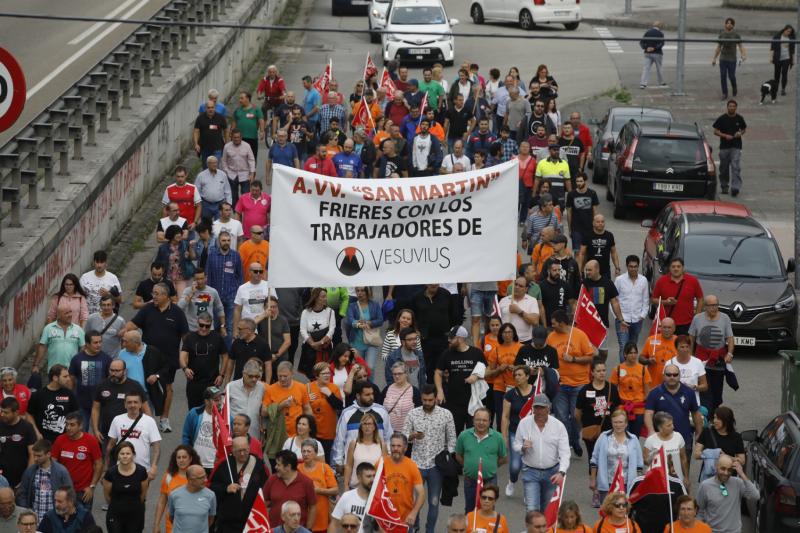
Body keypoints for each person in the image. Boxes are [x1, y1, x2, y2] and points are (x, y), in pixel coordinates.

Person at [124, 283, 189, 431]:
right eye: (153, 293)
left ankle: (164, 419)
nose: (153, 296)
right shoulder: (147, 309)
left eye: (157, 294)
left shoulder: (177, 313)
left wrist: (186, 357)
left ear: (166, 296)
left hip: (169, 358)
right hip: (147, 358)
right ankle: (143, 418)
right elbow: (132, 325)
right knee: (145, 385)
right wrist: (124, 331)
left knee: (167, 388)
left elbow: (186, 337)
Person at [403, 384, 456, 533]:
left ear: (436, 399)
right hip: (416, 464)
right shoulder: (413, 414)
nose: (427, 403)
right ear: (421, 398)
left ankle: (430, 530)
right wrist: (411, 436)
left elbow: (452, 439)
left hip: (436, 466)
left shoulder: (446, 414)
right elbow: (402, 436)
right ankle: (414, 526)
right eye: (424, 400)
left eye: (430, 400)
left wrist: (447, 457)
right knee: (414, 501)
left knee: (433, 502)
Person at [548, 309, 597, 456]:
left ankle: (575, 439)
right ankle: (568, 443)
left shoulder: (579, 335)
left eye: (554, 323)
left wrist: (574, 359)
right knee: (562, 417)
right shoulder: (551, 337)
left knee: (576, 416)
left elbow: (590, 357)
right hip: (560, 384)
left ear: (562, 323)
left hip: (580, 384)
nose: (552, 326)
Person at [514, 394, 569, 512]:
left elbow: (565, 453)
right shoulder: (524, 423)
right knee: (532, 510)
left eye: (542, 408)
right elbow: (516, 445)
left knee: (548, 511)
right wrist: (523, 448)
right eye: (536, 408)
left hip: (552, 473)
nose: (539, 411)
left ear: (548, 408)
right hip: (530, 472)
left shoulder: (558, 426)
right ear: (532, 409)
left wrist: (561, 472)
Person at [208, 436, 270, 533]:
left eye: (245, 450)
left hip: (251, 520)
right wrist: (226, 488)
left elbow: (266, 488)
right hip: (227, 522)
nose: (242, 454)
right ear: (232, 450)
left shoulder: (259, 465)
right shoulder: (224, 464)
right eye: (238, 451)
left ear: (249, 448)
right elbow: (211, 488)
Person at [644, 363, 703, 463]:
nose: (672, 377)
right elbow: (648, 413)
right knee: (661, 472)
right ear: (664, 376)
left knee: (683, 471)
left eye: (675, 375)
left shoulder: (689, 392)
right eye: (669, 374)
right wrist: (651, 431)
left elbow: (696, 414)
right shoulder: (654, 393)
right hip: (660, 440)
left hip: (684, 439)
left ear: (679, 376)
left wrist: (699, 434)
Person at [435, 326, 487, 433]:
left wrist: (476, 376)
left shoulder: (476, 353)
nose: (449, 340)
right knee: (454, 433)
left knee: (473, 434)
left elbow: (487, 368)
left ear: (460, 338)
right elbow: (438, 372)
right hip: (453, 402)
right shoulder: (447, 353)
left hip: (473, 401)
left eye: (451, 338)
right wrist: (440, 391)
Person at [455, 408, 507, 513]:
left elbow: (503, 458)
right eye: (478, 420)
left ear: (490, 422)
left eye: (484, 420)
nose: (481, 423)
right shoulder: (463, 436)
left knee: (489, 510)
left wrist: (492, 466)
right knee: (470, 510)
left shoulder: (498, 437)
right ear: (473, 421)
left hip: (490, 480)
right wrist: (468, 466)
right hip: (470, 480)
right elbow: (458, 455)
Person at [333, 381, 393, 470]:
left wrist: (389, 457)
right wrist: (339, 462)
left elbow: (388, 437)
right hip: (353, 465)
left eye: (372, 394)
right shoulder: (347, 413)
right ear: (358, 396)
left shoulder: (382, 411)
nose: (371, 397)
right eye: (367, 395)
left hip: (377, 464)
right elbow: (339, 440)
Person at [575, 360, 621, 474]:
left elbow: (618, 408)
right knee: (593, 459)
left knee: (610, 459)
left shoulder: (612, 388)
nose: (602, 373)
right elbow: (577, 413)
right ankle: (595, 486)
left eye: (604, 370)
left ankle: (608, 485)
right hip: (591, 433)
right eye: (598, 371)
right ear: (592, 373)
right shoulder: (585, 390)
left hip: (609, 431)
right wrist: (584, 427)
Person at [589, 409, 643, 506]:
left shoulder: (633, 439)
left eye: (621, 422)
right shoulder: (604, 437)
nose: (618, 425)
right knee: (607, 512)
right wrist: (593, 479)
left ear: (626, 423)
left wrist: (638, 485)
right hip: (607, 483)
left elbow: (639, 464)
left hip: (627, 484)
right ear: (612, 422)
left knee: (624, 512)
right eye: (615, 422)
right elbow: (594, 460)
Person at [689, 294, 734, 411]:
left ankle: (715, 413)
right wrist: (690, 355)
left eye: (716, 305)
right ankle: (705, 415)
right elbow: (691, 338)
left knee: (717, 390)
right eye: (711, 305)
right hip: (701, 359)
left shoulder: (725, 318)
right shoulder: (697, 318)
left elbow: (730, 338)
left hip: (718, 360)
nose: (714, 308)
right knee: (704, 389)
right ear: (705, 307)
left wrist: (729, 353)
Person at [90, 359, 150, 445]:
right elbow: (95, 409)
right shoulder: (102, 385)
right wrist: (95, 430)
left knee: (128, 457)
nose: (113, 373)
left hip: (131, 432)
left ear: (125, 371)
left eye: (117, 371)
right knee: (107, 457)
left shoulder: (135, 386)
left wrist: (148, 430)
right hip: (107, 432)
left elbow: (146, 408)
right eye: (111, 370)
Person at [51, 412, 102, 509]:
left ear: (81, 426)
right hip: (64, 490)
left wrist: (92, 487)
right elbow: (53, 463)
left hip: (83, 491)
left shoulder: (90, 440)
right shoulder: (60, 440)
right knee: (63, 519)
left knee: (84, 521)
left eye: (72, 425)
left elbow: (99, 464)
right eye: (67, 424)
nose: (68, 427)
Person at [106, 391, 161, 481]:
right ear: (125, 405)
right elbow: (110, 446)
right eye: (129, 402)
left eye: (135, 402)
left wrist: (154, 467)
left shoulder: (149, 421)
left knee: (141, 495)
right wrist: (106, 468)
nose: (132, 405)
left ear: (140, 405)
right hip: (121, 469)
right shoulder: (117, 420)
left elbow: (157, 448)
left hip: (143, 471)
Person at [696, 454, 758, 533]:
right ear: (716, 466)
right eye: (723, 469)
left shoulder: (737, 483)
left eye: (729, 470)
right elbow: (700, 511)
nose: (726, 473)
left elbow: (755, 496)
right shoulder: (705, 486)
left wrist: (742, 474)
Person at [500, 366, 536, 497]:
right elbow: (505, 416)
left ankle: (529, 492)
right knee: (515, 466)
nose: (517, 377)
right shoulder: (510, 394)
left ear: (527, 376)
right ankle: (512, 481)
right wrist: (504, 436)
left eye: (520, 375)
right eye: (515, 375)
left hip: (533, 434)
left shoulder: (536, 392)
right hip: (515, 433)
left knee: (531, 465)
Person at [179, 312, 227, 408]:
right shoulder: (190, 337)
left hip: (212, 382)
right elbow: (182, 355)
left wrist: (221, 375)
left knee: (213, 409)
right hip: (194, 382)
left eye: (207, 326)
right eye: (201, 325)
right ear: (197, 323)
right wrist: (185, 368)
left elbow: (225, 356)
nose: (204, 328)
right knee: (194, 410)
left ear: (211, 324)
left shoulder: (217, 337)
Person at [17, 439, 73, 520]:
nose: (35, 459)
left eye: (39, 456)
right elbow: (22, 493)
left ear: (48, 454)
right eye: (34, 455)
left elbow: (70, 495)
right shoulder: (30, 471)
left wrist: (63, 515)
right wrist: (26, 512)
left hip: (54, 519)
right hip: (35, 520)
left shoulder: (61, 471)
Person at [205, 231, 243, 347]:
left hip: (231, 296)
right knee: (215, 325)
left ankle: (228, 352)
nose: (226, 243)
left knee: (230, 326)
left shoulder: (236, 255)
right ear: (219, 241)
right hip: (216, 297)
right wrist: (209, 296)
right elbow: (208, 275)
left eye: (228, 240)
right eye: (223, 240)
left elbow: (239, 276)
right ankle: (215, 349)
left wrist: (238, 293)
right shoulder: (212, 255)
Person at [153, 445, 201, 533]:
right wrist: (156, 524)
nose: (181, 460)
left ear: (190, 459)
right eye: (178, 457)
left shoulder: (198, 477)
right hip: (172, 525)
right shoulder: (168, 477)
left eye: (184, 457)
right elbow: (162, 502)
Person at [69, 331, 113, 427]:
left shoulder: (107, 359)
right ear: (87, 344)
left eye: (100, 342)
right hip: (82, 404)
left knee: (100, 432)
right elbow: (71, 379)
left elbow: (110, 380)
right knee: (81, 431)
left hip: (101, 403)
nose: (99, 345)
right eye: (95, 342)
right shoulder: (76, 359)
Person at [103, 441, 148, 533]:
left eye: (128, 453)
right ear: (118, 456)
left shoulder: (141, 472)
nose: (125, 456)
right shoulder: (110, 473)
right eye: (122, 453)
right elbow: (107, 496)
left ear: (133, 455)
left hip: (135, 514)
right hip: (115, 515)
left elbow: (143, 494)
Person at [263, 450, 316, 528]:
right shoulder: (272, 479)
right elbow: (264, 502)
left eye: (278, 465)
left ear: (288, 467)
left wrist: (308, 529)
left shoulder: (306, 482)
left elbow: (313, 507)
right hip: (274, 529)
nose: (275, 467)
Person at [382, 433, 425, 528]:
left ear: (405, 448)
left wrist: (414, 513)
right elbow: (371, 489)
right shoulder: (381, 464)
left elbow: (421, 493)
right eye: (393, 446)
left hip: (405, 519)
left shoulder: (412, 466)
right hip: (384, 517)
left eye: (399, 446)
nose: (395, 449)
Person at [651, 257, 703, 335]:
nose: (676, 269)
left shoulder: (692, 281)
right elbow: (653, 300)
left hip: (687, 324)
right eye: (673, 266)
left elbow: (700, 298)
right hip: (667, 324)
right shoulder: (662, 281)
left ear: (683, 268)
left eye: (678, 266)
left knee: (683, 346)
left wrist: (697, 317)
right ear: (669, 268)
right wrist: (665, 302)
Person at [693, 405, 745, 482]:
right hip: (709, 477)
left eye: (718, 419)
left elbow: (742, 461)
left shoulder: (736, 437)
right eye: (714, 417)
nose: (715, 421)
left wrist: (724, 457)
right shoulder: (707, 432)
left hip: (728, 477)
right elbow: (696, 454)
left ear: (726, 421)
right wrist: (714, 453)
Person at [27, 365, 78, 442]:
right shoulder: (38, 395)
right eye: (65, 376)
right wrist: (36, 432)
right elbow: (29, 414)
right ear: (55, 378)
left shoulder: (69, 394)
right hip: (44, 441)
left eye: (68, 376)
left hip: (64, 440)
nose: (68, 379)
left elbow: (76, 415)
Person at [262, 361, 313, 438]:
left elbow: (307, 408)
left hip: (297, 434)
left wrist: (309, 426)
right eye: (280, 376)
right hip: (277, 435)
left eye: (285, 376)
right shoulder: (270, 389)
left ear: (292, 374)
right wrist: (280, 406)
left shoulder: (301, 387)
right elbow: (263, 412)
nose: (282, 379)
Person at [609, 343, 650, 437]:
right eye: (630, 353)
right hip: (622, 408)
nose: (633, 355)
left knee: (634, 437)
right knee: (621, 435)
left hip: (639, 408)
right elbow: (613, 391)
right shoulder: (618, 369)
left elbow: (647, 392)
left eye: (635, 353)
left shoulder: (643, 369)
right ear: (625, 354)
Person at [181, 386, 224, 473]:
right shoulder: (194, 413)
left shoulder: (226, 418)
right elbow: (186, 436)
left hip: (216, 465)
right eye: (216, 400)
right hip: (196, 464)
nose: (219, 402)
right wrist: (187, 455)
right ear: (206, 401)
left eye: (220, 399)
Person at [297, 440, 337, 533]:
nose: (306, 454)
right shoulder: (298, 469)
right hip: (302, 517)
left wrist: (318, 490)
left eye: (309, 451)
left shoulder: (324, 467)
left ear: (315, 453)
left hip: (321, 518)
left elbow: (335, 490)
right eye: (303, 451)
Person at [614, 256, 649, 359]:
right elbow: (613, 300)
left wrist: (642, 315)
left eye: (635, 266)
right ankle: (623, 372)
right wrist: (618, 318)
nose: (633, 269)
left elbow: (645, 300)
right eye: (631, 266)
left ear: (638, 267)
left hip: (637, 320)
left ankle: (632, 371)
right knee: (624, 346)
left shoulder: (643, 280)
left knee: (633, 347)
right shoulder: (619, 280)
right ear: (627, 266)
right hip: (622, 320)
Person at [644, 411, 690, 488]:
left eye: (672, 424)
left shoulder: (678, 437)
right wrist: (653, 456)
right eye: (668, 425)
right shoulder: (650, 440)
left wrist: (686, 477)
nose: (673, 427)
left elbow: (683, 459)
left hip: (677, 480)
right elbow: (645, 462)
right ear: (660, 427)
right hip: (658, 481)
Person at [308, 362, 343, 462]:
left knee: (326, 461)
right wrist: (307, 399)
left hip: (328, 434)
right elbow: (302, 408)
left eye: (328, 373)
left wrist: (330, 394)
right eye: (324, 373)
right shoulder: (308, 388)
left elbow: (339, 406)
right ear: (316, 375)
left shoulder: (334, 388)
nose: (327, 375)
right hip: (312, 433)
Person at [33, 308, 84, 374]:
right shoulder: (48, 328)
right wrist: (36, 365)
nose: (70, 315)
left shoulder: (78, 329)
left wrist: (79, 365)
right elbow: (42, 347)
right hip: (54, 370)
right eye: (66, 313)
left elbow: (83, 348)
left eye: (70, 312)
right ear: (59, 315)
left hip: (72, 371)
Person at [299, 289, 336, 379]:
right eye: (323, 297)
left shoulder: (330, 312)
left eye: (326, 296)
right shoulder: (305, 312)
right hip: (310, 349)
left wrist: (320, 343)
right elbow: (303, 330)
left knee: (325, 374)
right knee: (312, 376)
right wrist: (312, 344)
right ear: (315, 298)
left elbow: (331, 330)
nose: (326, 299)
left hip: (325, 348)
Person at [712, 100, 747, 196]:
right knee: (724, 167)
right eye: (730, 106)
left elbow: (744, 129)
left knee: (735, 166)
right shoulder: (722, 118)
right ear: (727, 107)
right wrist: (724, 135)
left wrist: (740, 133)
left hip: (736, 146)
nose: (731, 108)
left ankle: (735, 188)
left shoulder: (739, 118)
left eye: (733, 106)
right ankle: (724, 185)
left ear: (736, 107)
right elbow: (715, 131)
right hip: (724, 147)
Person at [344, 287, 383, 372]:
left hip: (371, 341)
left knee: (370, 367)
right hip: (357, 342)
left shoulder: (375, 304)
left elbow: (380, 320)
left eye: (362, 291)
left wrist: (369, 323)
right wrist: (358, 324)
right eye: (357, 291)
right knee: (360, 368)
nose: (360, 293)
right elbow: (350, 320)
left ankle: (370, 385)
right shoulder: (352, 306)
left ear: (368, 292)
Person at [343, 413, 385, 489]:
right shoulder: (354, 444)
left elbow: (385, 467)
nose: (367, 426)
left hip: (375, 488)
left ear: (374, 427)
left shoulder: (382, 444)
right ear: (361, 427)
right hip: (356, 487)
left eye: (369, 424)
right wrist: (346, 485)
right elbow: (349, 466)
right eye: (364, 424)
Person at [168, 465, 216, 533]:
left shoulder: (211, 495)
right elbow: (171, 517)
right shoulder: (174, 495)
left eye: (205, 476)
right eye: (201, 478)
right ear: (190, 480)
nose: (205, 480)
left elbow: (211, 518)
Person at [0, 397, 36, 487]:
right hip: (2, 477)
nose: (2, 414)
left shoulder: (27, 427)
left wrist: (26, 477)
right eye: (1, 411)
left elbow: (32, 453)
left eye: (6, 412)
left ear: (16, 412)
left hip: (22, 476)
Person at [329, 463, 375, 533]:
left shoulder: (378, 499)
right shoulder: (347, 496)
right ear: (359, 477)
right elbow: (334, 524)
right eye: (368, 476)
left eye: (374, 476)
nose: (372, 480)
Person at [228, 359, 266, 440]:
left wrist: (263, 433)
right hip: (233, 435)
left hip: (254, 435)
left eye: (257, 376)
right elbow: (223, 411)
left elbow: (263, 412)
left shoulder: (262, 388)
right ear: (244, 373)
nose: (254, 379)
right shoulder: (231, 387)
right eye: (251, 376)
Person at [666, 334, 708, 404]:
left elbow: (705, 386)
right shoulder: (669, 363)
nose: (685, 349)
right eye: (682, 347)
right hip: (673, 402)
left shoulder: (697, 362)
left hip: (692, 403)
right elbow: (664, 384)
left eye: (687, 347)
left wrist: (694, 387)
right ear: (676, 348)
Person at [381, 362, 421, 434]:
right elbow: (380, 409)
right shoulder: (387, 389)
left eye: (399, 374)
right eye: (394, 374)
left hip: (406, 433)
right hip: (387, 431)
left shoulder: (414, 391)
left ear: (406, 374)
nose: (397, 376)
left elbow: (419, 413)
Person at [711, 18, 746, 100]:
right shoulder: (722, 34)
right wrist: (714, 58)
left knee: (731, 76)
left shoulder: (736, 35)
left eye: (730, 23)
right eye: (727, 23)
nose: (729, 25)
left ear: (733, 25)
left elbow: (741, 46)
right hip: (723, 58)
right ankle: (724, 93)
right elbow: (718, 47)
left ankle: (734, 86)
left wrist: (743, 55)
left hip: (732, 59)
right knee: (723, 76)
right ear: (725, 24)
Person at [79, 250, 122, 315]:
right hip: (88, 319)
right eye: (97, 262)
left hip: (107, 320)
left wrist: (108, 294)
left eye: (101, 262)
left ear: (106, 263)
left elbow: (120, 300)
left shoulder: (112, 278)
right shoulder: (85, 278)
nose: (99, 265)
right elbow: (78, 298)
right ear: (93, 262)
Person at [227, 317, 270, 382]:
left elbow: (268, 365)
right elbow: (230, 362)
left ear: (249, 330)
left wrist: (267, 384)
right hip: (238, 383)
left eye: (240, 329)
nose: (238, 331)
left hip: (256, 383)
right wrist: (227, 382)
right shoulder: (236, 342)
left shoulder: (262, 344)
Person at [499, 278, 540, 344]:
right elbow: (497, 320)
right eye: (516, 284)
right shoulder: (503, 301)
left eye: (520, 286)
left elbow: (535, 321)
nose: (517, 287)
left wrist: (519, 311)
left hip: (525, 342)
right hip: (506, 342)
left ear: (526, 289)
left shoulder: (532, 301)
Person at [640, 317, 677, 387]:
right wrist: (648, 361)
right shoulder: (651, 340)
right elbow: (641, 358)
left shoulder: (679, 342)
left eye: (669, 327)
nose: (666, 330)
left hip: (672, 386)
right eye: (664, 327)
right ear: (660, 328)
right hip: (652, 385)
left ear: (674, 328)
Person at [194, 101, 228, 170]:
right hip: (204, 148)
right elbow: (196, 131)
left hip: (217, 148)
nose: (210, 109)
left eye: (212, 107)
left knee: (215, 167)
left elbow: (226, 130)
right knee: (206, 168)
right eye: (208, 108)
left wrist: (226, 142)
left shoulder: (220, 118)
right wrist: (196, 144)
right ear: (205, 108)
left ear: (215, 108)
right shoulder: (200, 118)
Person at [770, 25, 796, 102]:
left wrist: (793, 60)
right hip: (778, 58)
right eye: (787, 31)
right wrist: (771, 58)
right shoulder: (777, 37)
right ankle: (775, 88)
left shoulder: (791, 38)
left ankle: (783, 89)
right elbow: (772, 48)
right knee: (777, 75)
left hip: (786, 59)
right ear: (784, 30)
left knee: (784, 74)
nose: (788, 33)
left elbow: (792, 50)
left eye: (790, 32)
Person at [639, 22, 666, 88]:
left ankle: (643, 83)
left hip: (647, 53)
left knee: (646, 68)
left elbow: (641, 42)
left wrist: (646, 48)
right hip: (657, 53)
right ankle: (661, 82)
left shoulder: (647, 32)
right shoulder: (660, 33)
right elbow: (661, 44)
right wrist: (654, 48)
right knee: (659, 68)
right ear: (660, 27)